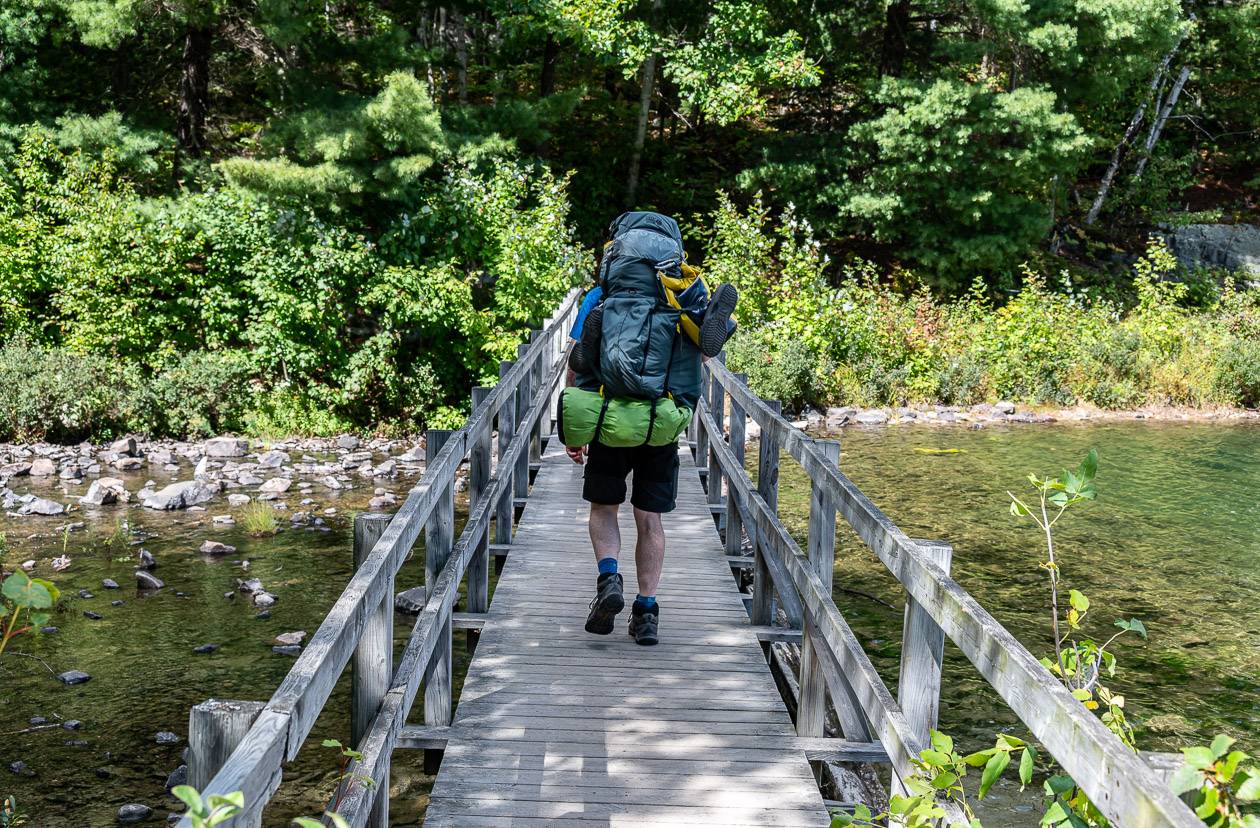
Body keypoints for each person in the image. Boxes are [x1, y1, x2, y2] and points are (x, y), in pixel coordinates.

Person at [563, 212, 737, 646]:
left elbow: (578, 363)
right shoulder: (682, 295)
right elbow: (703, 359)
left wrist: (573, 431)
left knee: (604, 509)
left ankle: (608, 580)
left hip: (608, 418)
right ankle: (646, 612)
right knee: (650, 518)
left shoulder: (600, 296)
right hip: (661, 422)